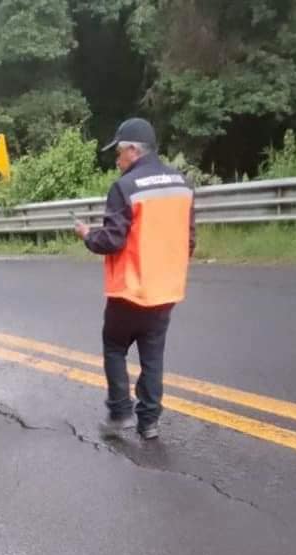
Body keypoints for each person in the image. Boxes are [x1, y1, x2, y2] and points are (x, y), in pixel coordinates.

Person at [75, 118, 195, 439]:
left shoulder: (125, 187)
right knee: (152, 355)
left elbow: (112, 240)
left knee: (115, 346)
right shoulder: (182, 184)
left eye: (118, 152)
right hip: (166, 289)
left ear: (132, 149)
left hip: (130, 289)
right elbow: (189, 239)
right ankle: (150, 422)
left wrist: (88, 235)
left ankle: (120, 412)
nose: (117, 159)